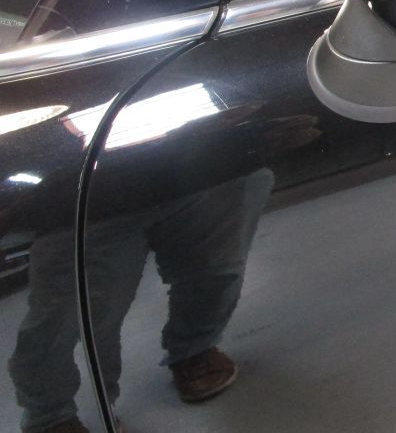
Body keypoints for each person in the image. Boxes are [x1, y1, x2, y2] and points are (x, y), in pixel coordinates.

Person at [8, 169, 274, 433]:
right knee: (69, 311)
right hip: (78, 194)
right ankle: (51, 415)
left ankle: (195, 348)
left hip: (205, 167)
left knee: (214, 269)